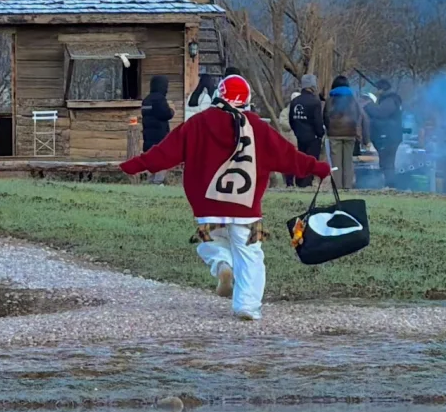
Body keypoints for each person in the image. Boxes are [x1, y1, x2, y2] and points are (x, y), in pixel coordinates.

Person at [119, 72, 329, 320]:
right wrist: (318, 168)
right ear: (247, 100)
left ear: (220, 95)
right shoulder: (258, 127)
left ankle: (222, 266)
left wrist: (132, 165)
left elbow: (166, 151)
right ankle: (247, 306)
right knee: (250, 253)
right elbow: (288, 157)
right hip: (246, 208)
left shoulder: (198, 123)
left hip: (207, 206)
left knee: (210, 243)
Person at [324, 72, 361, 190]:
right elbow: (358, 115)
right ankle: (348, 186)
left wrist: (329, 127)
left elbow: (325, 115)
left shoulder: (330, 99)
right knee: (348, 161)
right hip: (350, 133)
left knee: (336, 162)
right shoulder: (353, 99)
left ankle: (338, 186)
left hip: (334, 134)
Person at [288, 75, 325, 189]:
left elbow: (291, 120)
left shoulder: (295, 101)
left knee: (301, 159)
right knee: (311, 160)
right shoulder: (315, 102)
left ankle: (299, 182)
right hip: (313, 137)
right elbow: (318, 121)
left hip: (299, 135)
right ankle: (307, 183)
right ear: (312, 86)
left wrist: (297, 131)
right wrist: (320, 134)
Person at [367, 78, 404, 186]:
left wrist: (367, 105)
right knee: (386, 162)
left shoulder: (390, 100)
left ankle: (390, 185)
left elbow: (380, 113)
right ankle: (389, 184)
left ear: (381, 90)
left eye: (376, 89)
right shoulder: (392, 99)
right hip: (389, 136)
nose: (375, 92)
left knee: (387, 163)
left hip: (389, 136)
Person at [140, 74, 174, 183]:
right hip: (160, 136)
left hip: (148, 136)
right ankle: (158, 182)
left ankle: (150, 181)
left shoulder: (146, 100)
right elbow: (165, 114)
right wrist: (172, 110)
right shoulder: (160, 99)